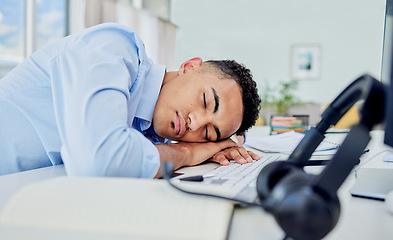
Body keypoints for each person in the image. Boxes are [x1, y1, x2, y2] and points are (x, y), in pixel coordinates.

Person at [0, 23, 261, 177]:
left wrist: (228, 143)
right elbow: (100, 161)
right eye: (205, 100)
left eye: (209, 133)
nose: (196, 124)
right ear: (190, 66)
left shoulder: (149, 131)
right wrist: (187, 152)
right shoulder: (114, 47)